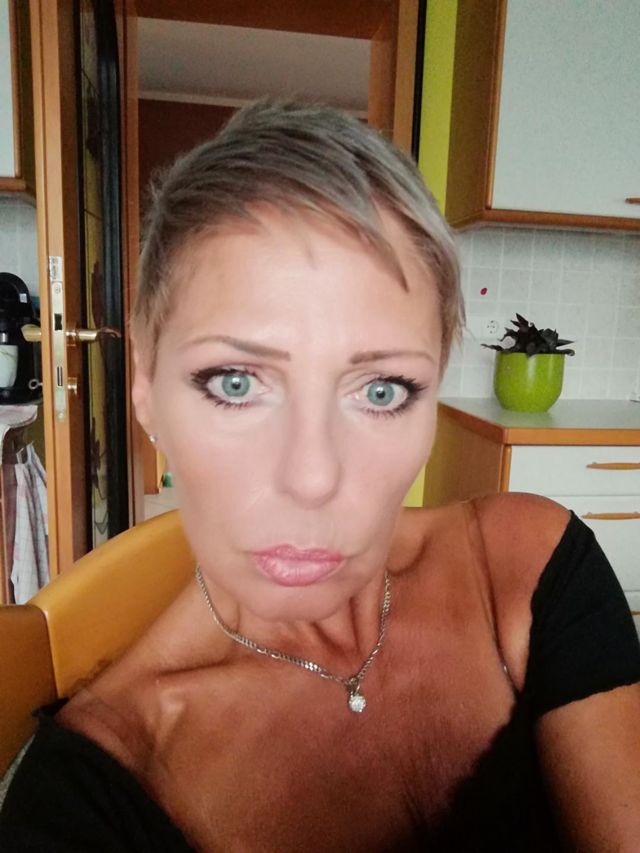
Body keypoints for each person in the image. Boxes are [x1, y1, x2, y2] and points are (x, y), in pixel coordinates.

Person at [1, 100, 639, 852]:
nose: (311, 479)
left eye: (382, 390)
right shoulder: (89, 799)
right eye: (236, 382)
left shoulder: (528, 574)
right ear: (145, 388)